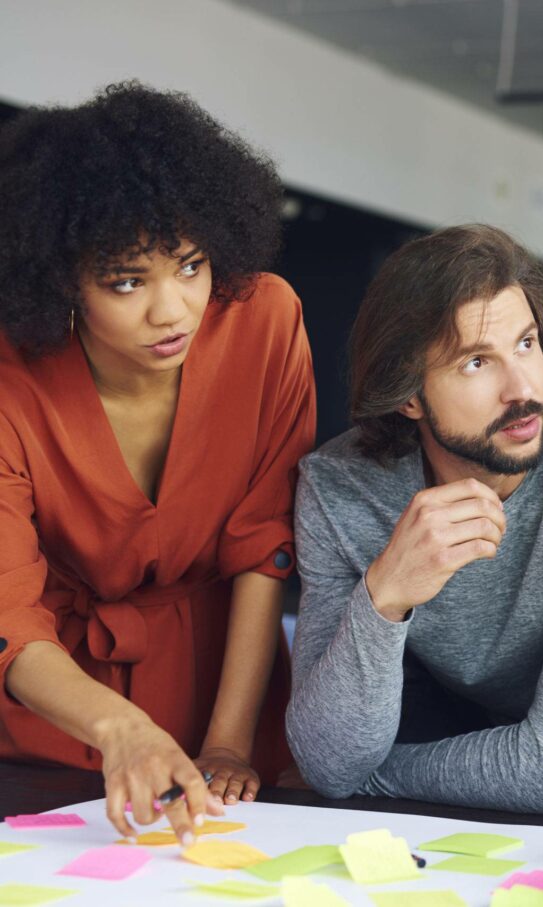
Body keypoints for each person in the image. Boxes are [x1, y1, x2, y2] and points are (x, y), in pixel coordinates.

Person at [286, 224, 543, 815]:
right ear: (409, 395)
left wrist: (370, 782)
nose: (523, 388)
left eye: (526, 344)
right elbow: (328, 758)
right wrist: (386, 594)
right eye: (477, 362)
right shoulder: (340, 487)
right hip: (446, 728)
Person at [0, 83, 315, 845]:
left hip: (224, 687)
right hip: (59, 706)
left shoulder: (264, 324)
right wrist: (120, 729)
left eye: (191, 265)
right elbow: (6, 609)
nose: (172, 309)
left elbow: (264, 548)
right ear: (60, 279)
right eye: (127, 281)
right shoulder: (10, 379)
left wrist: (230, 740)